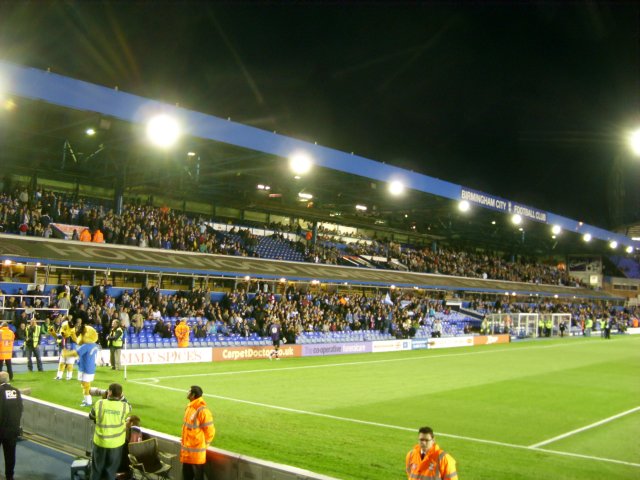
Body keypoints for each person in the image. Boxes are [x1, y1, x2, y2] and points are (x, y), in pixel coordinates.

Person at [89, 383, 132, 480]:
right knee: (111, 471)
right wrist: (122, 397)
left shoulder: (100, 403)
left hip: (100, 443)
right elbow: (129, 406)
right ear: (120, 394)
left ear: (110, 392)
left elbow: (91, 416)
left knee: (96, 470)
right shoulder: (124, 406)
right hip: (116, 445)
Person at [181, 385, 215, 480]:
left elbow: (210, 431)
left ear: (193, 395)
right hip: (187, 453)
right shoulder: (189, 408)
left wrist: (205, 445)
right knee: (186, 477)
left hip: (196, 455)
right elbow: (188, 429)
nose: (187, 393)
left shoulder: (202, 410)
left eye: (189, 391)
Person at [0, 371, 23, 480]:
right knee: (10, 455)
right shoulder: (16, 391)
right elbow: (20, 409)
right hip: (12, 429)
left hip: (1, 428)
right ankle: (10, 476)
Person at [76, 322, 99, 407]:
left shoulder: (86, 345)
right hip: (91, 368)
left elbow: (77, 353)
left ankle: (88, 401)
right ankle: (87, 398)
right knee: (86, 384)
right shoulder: (95, 345)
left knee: (85, 385)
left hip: (85, 368)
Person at [53, 315, 78, 380]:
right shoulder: (61, 328)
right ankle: (59, 376)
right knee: (62, 362)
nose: (61, 319)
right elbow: (59, 336)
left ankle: (69, 376)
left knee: (69, 363)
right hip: (63, 348)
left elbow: (74, 338)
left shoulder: (71, 330)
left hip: (70, 348)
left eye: (62, 318)